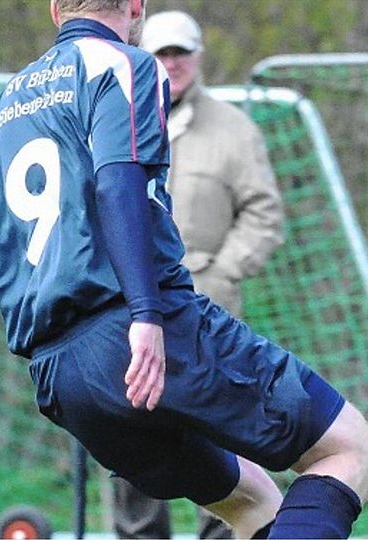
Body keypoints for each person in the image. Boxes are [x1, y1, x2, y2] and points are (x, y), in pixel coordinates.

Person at [0, 1, 368, 539]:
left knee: (252, 498)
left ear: (55, 9)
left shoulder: (4, 106)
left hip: (59, 371)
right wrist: (146, 312)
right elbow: (117, 185)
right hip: (143, 327)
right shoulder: (121, 64)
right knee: (351, 449)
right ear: (136, 6)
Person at [111, 10, 285, 538]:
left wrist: (224, 273)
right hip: (128, 315)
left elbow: (264, 214)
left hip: (206, 313)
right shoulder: (116, 120)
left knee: (219, 438)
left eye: (180, 53)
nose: (171, 64)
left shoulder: (235, 131)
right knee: (133, 436)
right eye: (160, 54)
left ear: (198, 56)